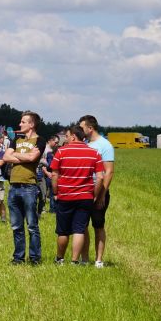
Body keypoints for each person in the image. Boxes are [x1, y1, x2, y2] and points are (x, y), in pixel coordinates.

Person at [50, 125, 105, 265]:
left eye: (67, 136)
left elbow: (54, 175)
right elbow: (100, 177)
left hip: (65, 196)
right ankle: (75, 261)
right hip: (85, 197)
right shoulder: (94, 153)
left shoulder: (61, 152)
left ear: (73, 136)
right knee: (79, 229)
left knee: (63, 231)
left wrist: (55, 192)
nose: (66, 139)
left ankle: (60, 259)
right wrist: (94, 195)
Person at [3, 111, 47, 265]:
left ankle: (35, 258)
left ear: (31, 124)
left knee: (32, 226)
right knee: (16, 226)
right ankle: (18, 258)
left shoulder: (40, 140)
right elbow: (5, 157)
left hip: (29, 186)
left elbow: (32, 158)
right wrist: (24, 156)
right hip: (13, 187)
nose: (19, 124)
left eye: (23, 122)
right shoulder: (17, 139)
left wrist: (16, 155)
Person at [78, 115, 115, 268]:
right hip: (84, 191)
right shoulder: (85, 144)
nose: (80, 130)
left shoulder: (104, 145)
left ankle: (98, 260)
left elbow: (109, 172)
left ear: (90, 128)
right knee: (83, 226)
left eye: (82, 127)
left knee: (98, 225)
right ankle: (85, 258)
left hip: (99, 191)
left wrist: (101, 195)